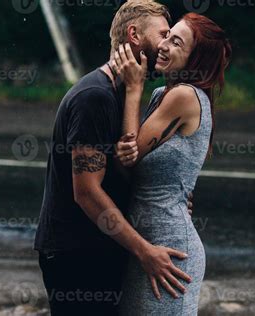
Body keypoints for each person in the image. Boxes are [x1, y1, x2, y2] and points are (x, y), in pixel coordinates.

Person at [33, 1, 194, 315]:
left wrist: (170, 197)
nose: (165, 44)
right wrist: (145, 251)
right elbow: (87, 192)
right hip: (75, 254)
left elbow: (123, 172)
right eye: (162, 34)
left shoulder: (123, 94)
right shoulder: (94, 97)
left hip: (101, 247)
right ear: (134, 35)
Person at [112, 13, 232, 315]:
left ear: (194, 59)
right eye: (167, 36)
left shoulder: (185, 97)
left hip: (169, 250)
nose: (163, 45)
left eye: (176, 42)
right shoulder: (162, 95)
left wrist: (133, 88)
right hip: (146, 244)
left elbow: (130, 155)